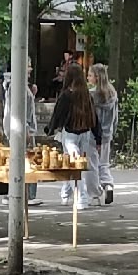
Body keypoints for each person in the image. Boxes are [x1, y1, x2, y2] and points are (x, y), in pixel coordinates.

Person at [48, 66, 101, 209]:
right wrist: (98, 137)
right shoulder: (86, 95)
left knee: (73, 166)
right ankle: (65, 194)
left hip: (70, 134)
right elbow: (94, 117)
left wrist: (50, 129)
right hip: (86, 133)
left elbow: (57, 115)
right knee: (76, 165)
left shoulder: (66, 95)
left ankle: (80, 198)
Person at [90, 64, 119, 204]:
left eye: (90, 75)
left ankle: (96, 192)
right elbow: (115, 117)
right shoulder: (112, 93)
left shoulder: (92, 95)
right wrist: (112, 130)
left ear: (96, 77)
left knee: (93, 164)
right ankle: (108, 184)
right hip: (107, 133)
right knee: (104, 163)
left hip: (94, 134)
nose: (88, 78)